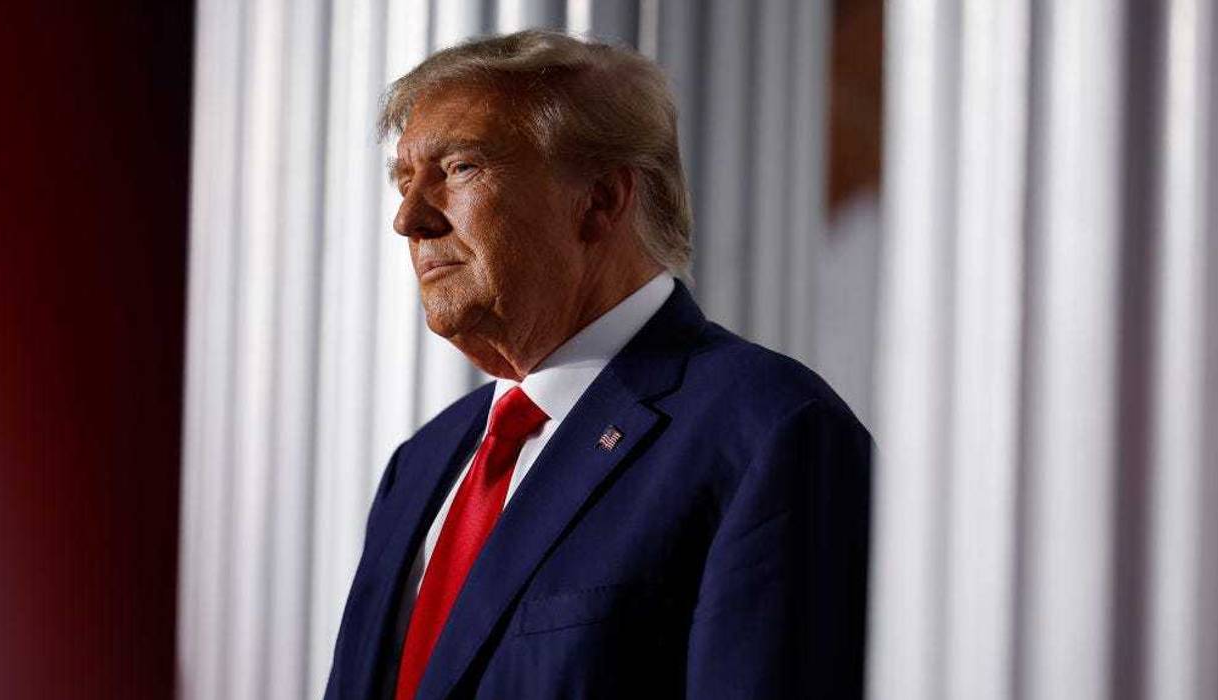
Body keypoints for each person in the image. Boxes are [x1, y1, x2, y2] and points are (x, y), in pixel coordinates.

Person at [324, 29, 872, 700]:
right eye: (405, 181)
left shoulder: (771, 430)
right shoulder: (424, 461)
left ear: (602, 200)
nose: (409, 219)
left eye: (460, 168)